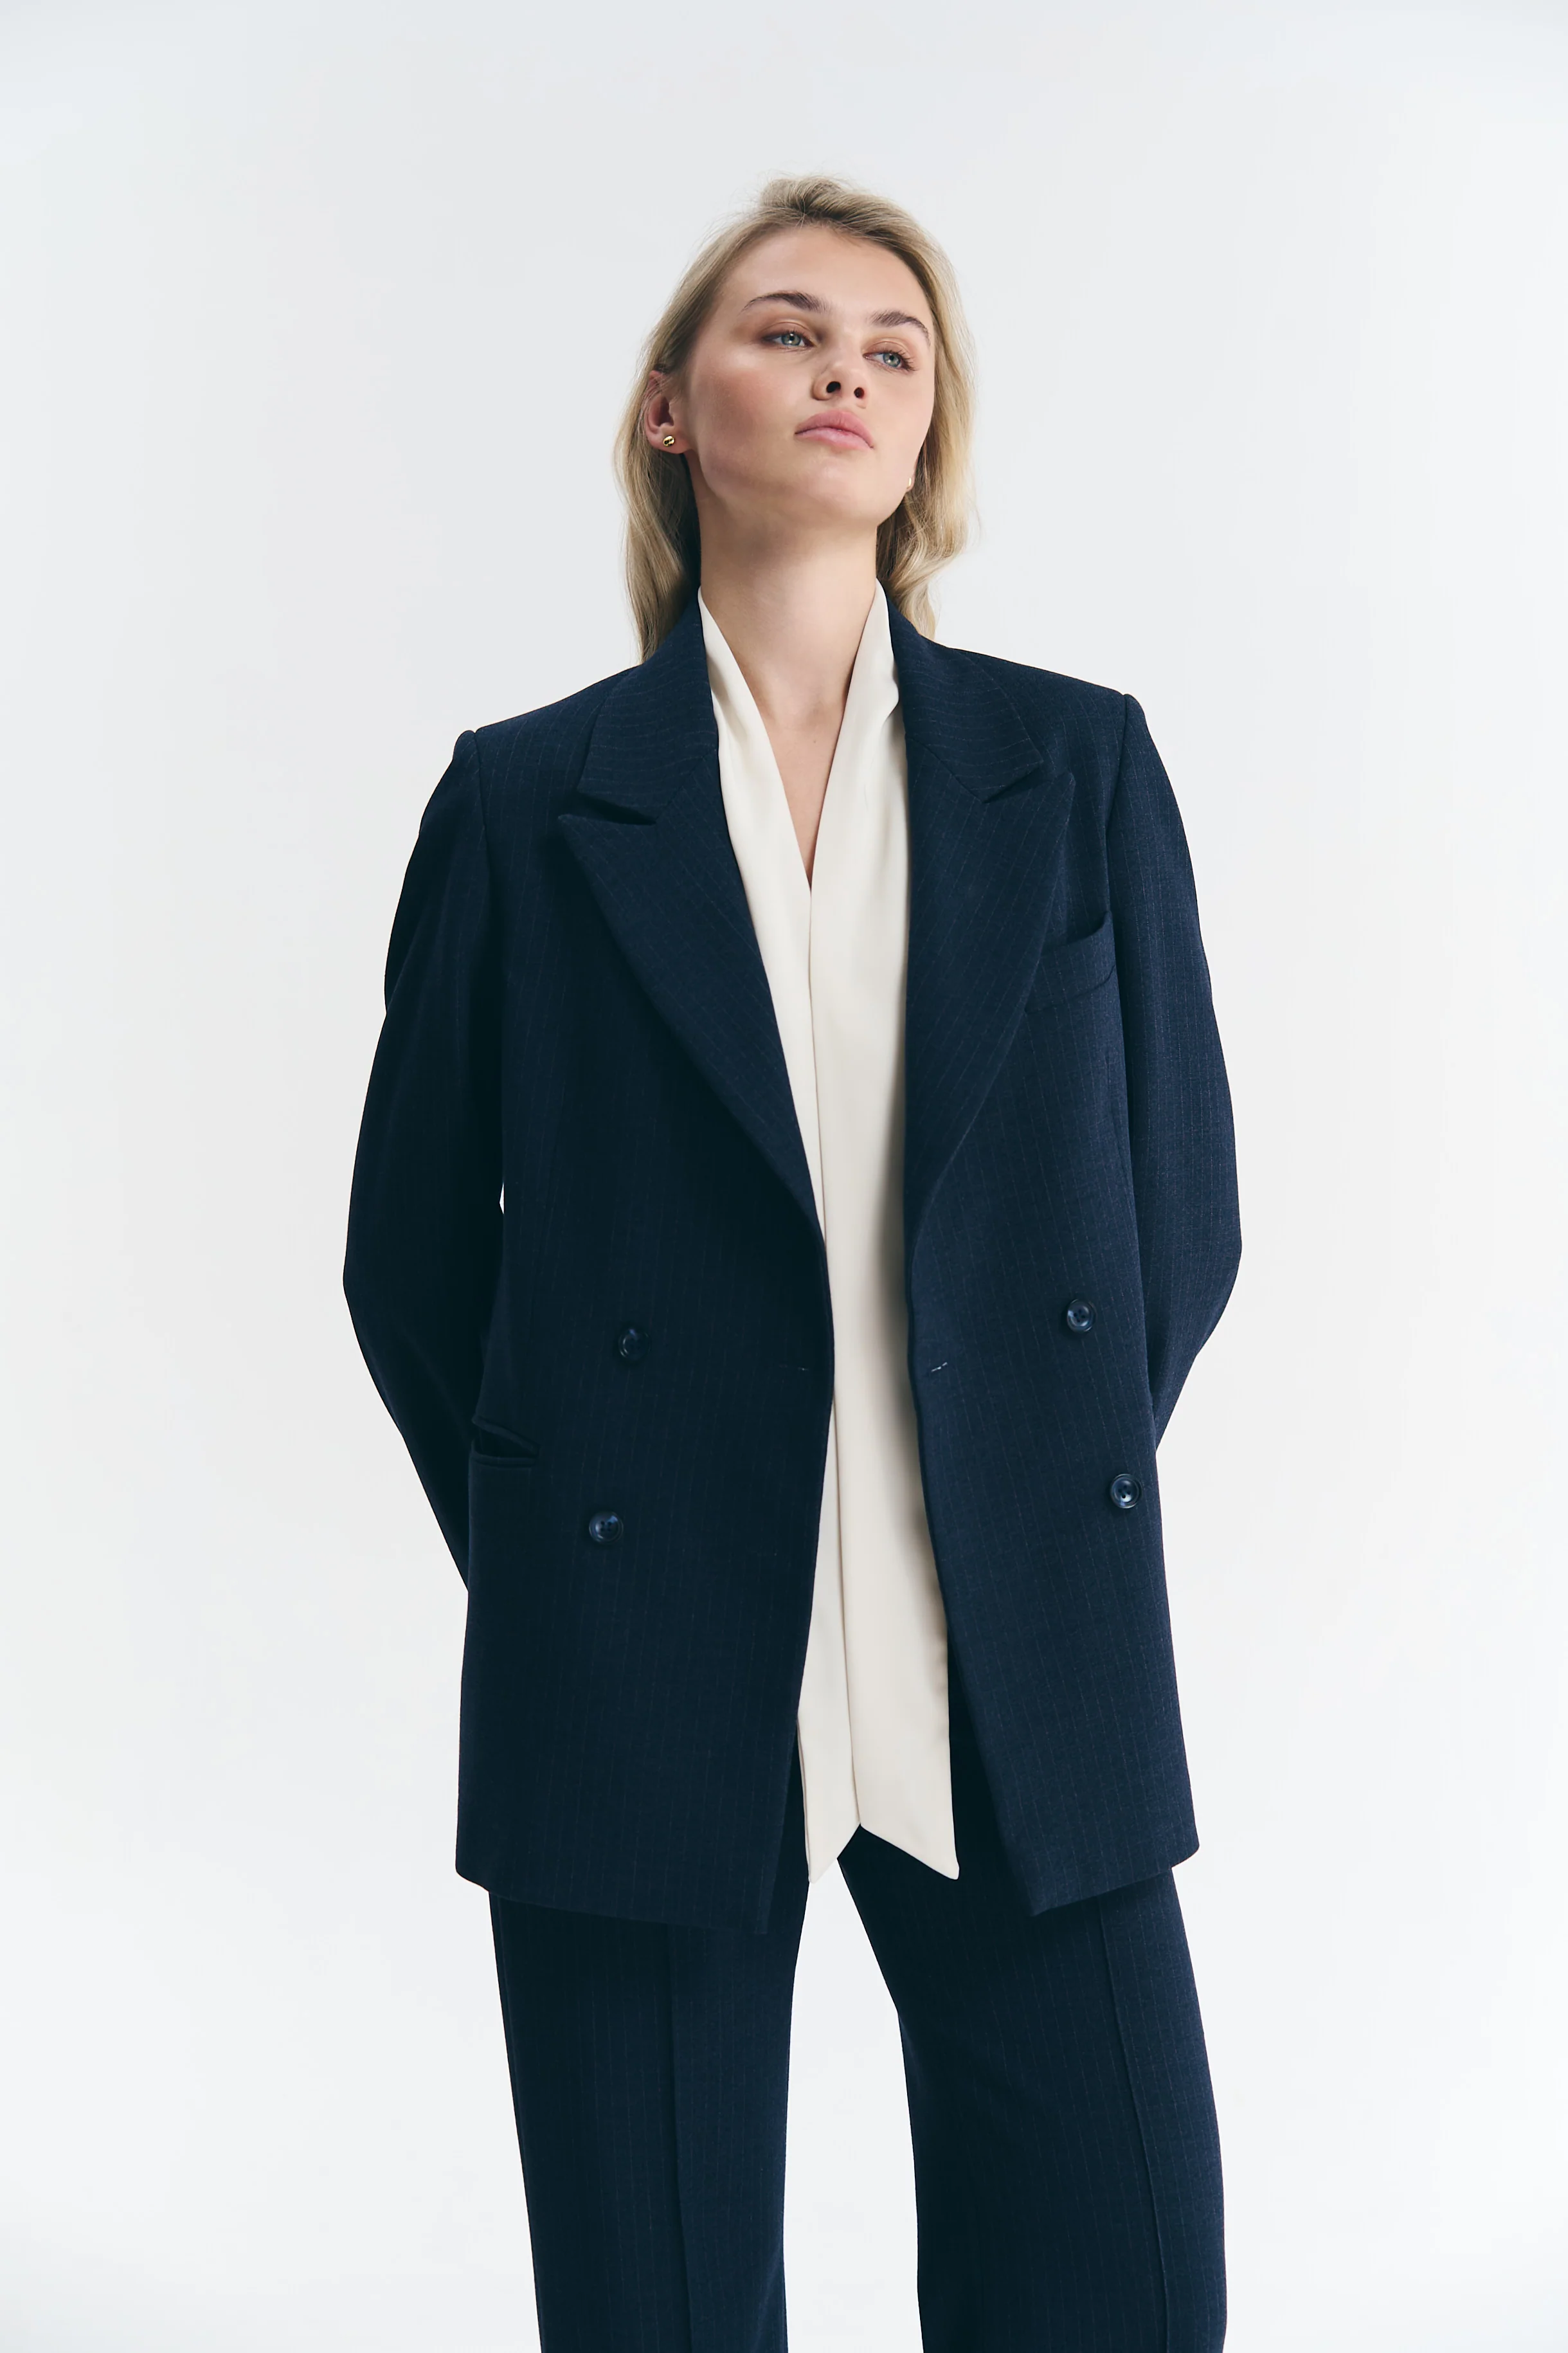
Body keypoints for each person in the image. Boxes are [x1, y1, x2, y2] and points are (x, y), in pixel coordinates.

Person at [345, 174, 1241, 2353]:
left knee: (1122, 2295)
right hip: (635, 1673)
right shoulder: (525, 801)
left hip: (1021, 1660)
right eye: (785, 328)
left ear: (925, 437)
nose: (846, 365)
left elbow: (1180, 1212)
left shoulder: (1075, 765)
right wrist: (593, 1543)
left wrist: (1011, 1491)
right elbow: (407, 1262)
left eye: (892, 347)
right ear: (670, 409)